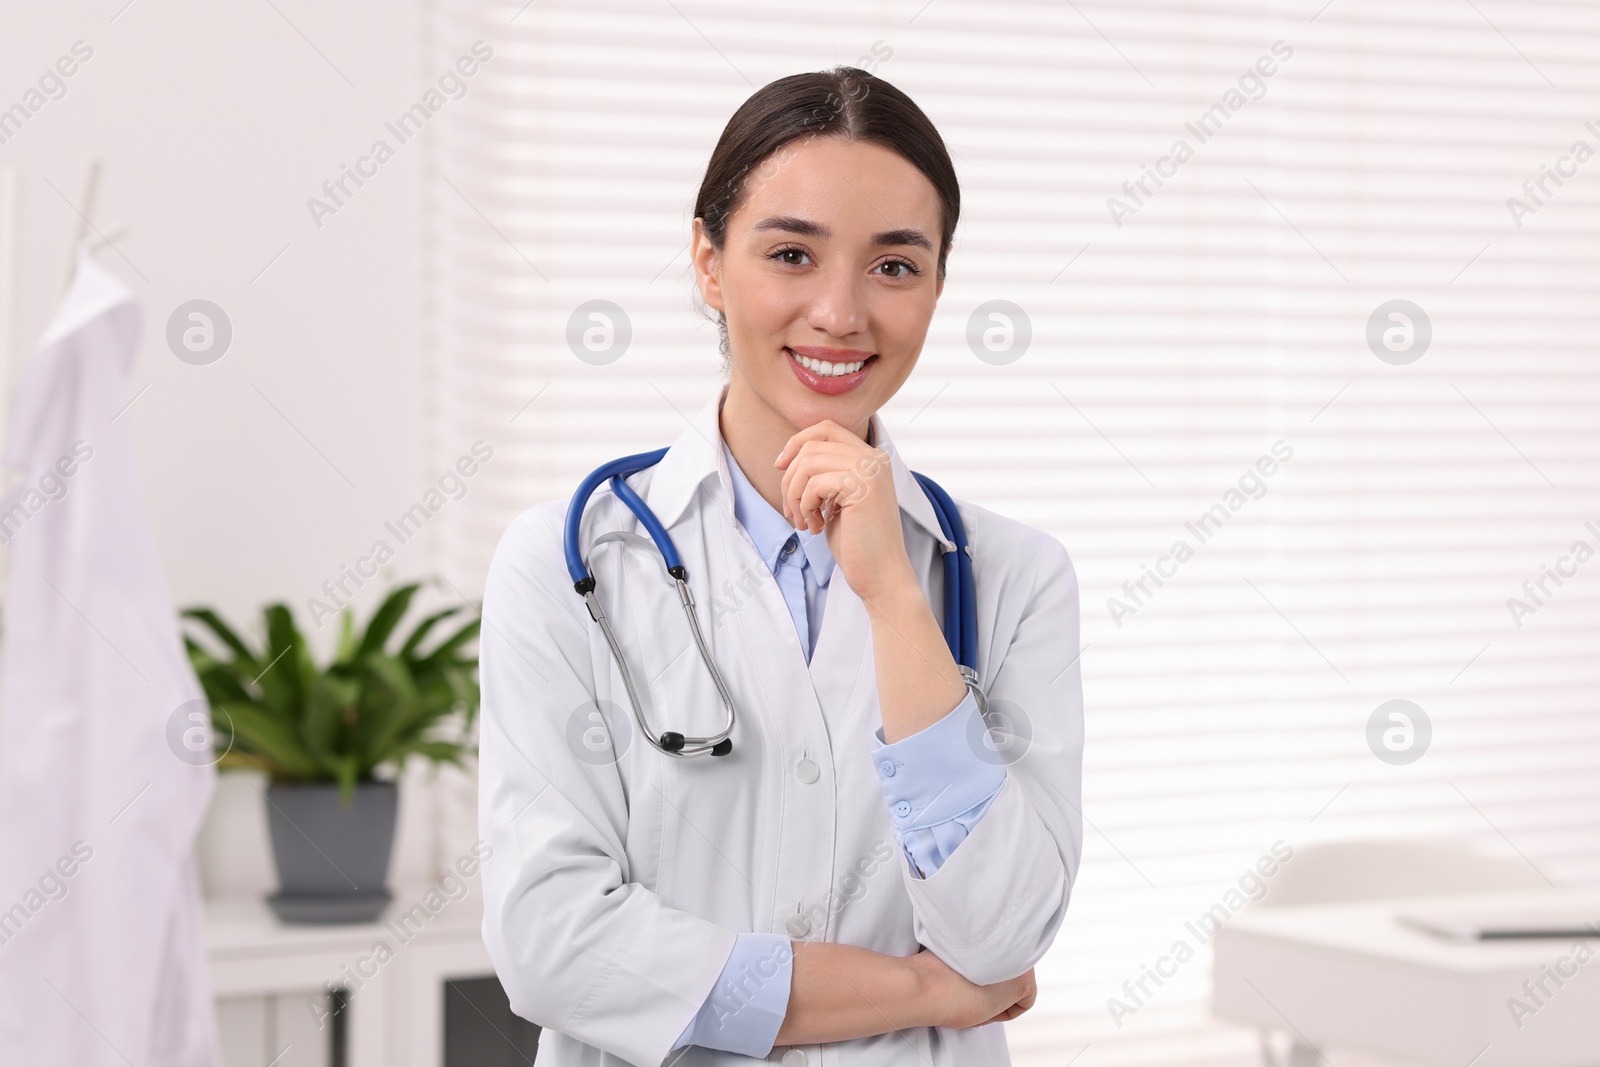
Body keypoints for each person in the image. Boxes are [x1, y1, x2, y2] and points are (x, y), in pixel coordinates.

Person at [478, 66, 1084, 1066]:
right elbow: (552, 943)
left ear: (937, 285)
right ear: (708, 263)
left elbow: (1002, 930)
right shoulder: (565, 563)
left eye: (894, 265)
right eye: (792, 253)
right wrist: (923, 988)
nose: (840, 313)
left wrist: (895, 599)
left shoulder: (1012, 579)